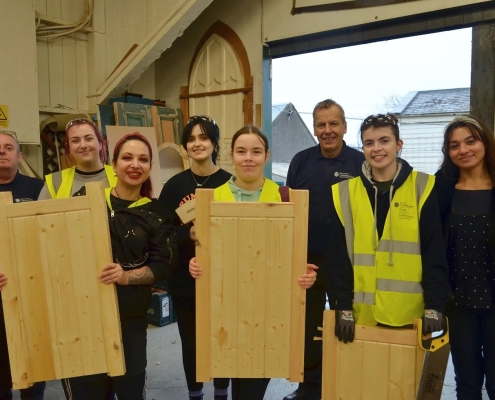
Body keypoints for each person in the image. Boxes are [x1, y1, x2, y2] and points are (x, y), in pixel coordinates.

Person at [188, 125, 318, 400]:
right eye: (241, 151)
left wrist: (303, 274)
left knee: (251, 391)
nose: (249, 158)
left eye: (256, 151)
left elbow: (293, 257)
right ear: (231, 156)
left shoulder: (285, 198)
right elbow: (206, 253)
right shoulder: (211, 199)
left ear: (267, 156)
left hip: (268, 313)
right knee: (229, 374)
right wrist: (196, 265)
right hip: (224, 310)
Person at [63, 132, 177, 399]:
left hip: (131, 321)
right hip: (84, 317)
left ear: (149, 167)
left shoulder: (158, 213)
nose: (134, 165)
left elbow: (164, 265)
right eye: (127, 157)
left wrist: (126, 277)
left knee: (129, 389)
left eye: (143, 159)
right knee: (86, 390)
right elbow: (59, 246)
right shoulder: (87, 199)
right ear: (113, 164)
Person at [327, 113, 451, 344]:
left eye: (384, 141)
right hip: (360, 318)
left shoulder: (422, 187)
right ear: (362, 148)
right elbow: (338, 260)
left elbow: (434, 252)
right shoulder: (344, 193)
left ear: (398, 145)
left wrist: (435, 305)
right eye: (369, 143)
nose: (377, 149)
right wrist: (342, 308)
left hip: (410, 317)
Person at [283, 99, 364, 400]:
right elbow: (290, 211)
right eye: (321, 124)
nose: (327, 130)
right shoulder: (301, 162)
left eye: (333, 123)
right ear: (315, 128)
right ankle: (309, 387)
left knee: (346, 325)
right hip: (308, 263)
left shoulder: (359, 163)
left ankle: (343, 385)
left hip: (348, 263)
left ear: (345, 126)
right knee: (308, 329)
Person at [157, 115, 231, 400]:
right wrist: (186, 235)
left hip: (223, 279)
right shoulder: (174, 187)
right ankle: (195, 394)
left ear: (214, 143)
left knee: (222, 338)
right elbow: (161, 234)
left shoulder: (229, 183)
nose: (197, 143)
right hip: (185, 280)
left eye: (203, 137)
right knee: (191, 341)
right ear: (185, 145)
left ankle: (222, 392)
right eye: (191, 138)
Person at [435, 115, 495, 400]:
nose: (464, 150)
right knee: (467, 382)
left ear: (485, 142)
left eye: (471, 141)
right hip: (458, 302)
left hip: (494, 299)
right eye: (454, 145)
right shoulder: (441, 190)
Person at [0, 131, 45, 400]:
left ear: (19, 155)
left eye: (8, 148)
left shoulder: (37, 188)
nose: (2, 152)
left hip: (31, 288)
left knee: (33, 352)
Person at [38, 118, 116, 200]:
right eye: (75, 141)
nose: (83, 145)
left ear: (100, 144)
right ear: (70, 149)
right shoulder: (55, 182)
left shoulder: (120, 176)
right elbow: (40, 212)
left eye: (88, 139)